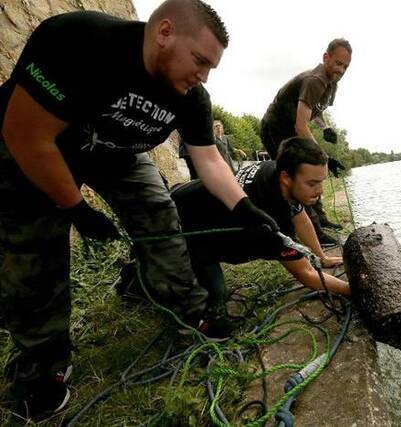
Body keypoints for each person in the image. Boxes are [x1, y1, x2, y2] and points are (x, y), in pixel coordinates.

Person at [0, 0, 278, 418]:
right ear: (164, 32)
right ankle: (42, 365)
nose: (203, 76)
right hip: (38, 143)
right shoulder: (80, 39)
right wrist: (75, 207)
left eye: (211, 68)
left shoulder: (191, 95)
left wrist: (243, 207)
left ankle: (190, 311)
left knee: (161, 215)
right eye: (200, 60)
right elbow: (25, 134)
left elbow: (208, 158)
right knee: (35, 251)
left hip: (119, 153)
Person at [163, 137, 350, 320]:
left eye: (321, 181)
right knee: (214, 301)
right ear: (286, 177)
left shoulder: (277, 172)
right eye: (312, 183)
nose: (320, 191)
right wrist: (352, 290)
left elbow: (301, 219)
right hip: (176, 220)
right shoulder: (270, 215)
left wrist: (321, 257)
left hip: (185, 197)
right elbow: (306, 273)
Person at [260, 39, 352, 244]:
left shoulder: (332, 82)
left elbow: (316, 110)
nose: (341, 70)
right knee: (300, 174)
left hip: (291, 127)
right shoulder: (315, 80)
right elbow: (301, 126)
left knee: (311, 171)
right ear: (326, 57)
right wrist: (323, 157)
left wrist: (325, 127)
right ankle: (313, 231)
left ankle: (322, 219)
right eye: (338, 63)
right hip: (275, 128)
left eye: (346, 66)